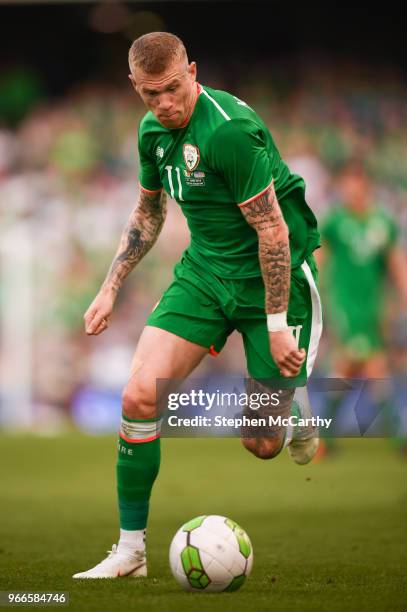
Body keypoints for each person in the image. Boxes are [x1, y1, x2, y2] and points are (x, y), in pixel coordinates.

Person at [73, 32, 322, 579]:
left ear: (192, 71)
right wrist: (110, 285)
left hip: (270, 283)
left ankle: (297, 405)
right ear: (135, 88)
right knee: (139, 394)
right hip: (206, 274)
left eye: (171, 89)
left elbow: (273, 231)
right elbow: (147, 213)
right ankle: (130, 552)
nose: (163, 104)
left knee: (260, 442)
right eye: (149, 94)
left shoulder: (227, 132)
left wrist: (278, 325)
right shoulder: (151, 133)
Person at [315, 162, 407, 458]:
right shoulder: (335, 222)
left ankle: (322, 439)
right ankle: (397, 439)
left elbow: (396, 263)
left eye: (354, 183)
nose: (349, 190)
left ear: (364, 185)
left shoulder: (382, 223)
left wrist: (403, 295)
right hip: (345, 305)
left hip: (374, 306)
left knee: (346, 368)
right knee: (372, 365)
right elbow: (320, 257)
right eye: (345, 184)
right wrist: (313, 292)